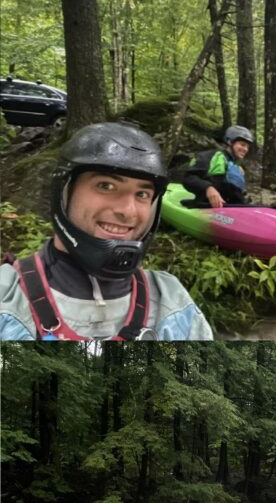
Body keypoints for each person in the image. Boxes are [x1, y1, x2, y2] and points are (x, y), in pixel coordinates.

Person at [0, 122, 213, 340]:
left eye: (142, 194)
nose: (128, 212)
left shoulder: (171, 303)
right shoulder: (7, 297)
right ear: (64, 192)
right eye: (106, 186)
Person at [182, 125, 254, 207]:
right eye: (242, 144)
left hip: (231, 208)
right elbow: (188, 178)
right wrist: (208, 188)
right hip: (207, 206)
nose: (246, 149)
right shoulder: (210, 156)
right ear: (230, 142)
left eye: (247, 146)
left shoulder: (237, 166)